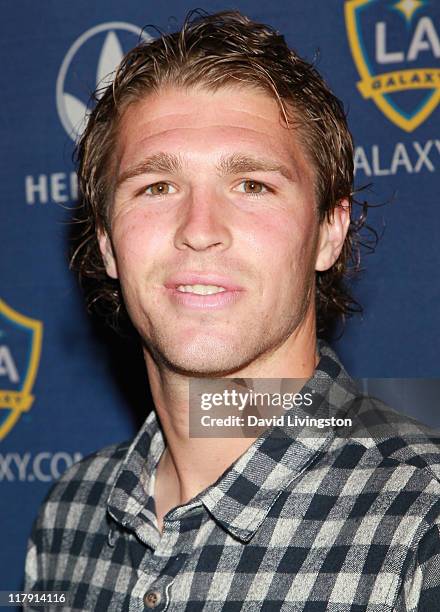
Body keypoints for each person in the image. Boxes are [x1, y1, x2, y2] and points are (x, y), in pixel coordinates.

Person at [25, 10, 440, 611]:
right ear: (108, 243)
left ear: (329, 230)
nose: (199, 230)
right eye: (156, 187)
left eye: (252, 186)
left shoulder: (422, 522)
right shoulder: (71, 516)